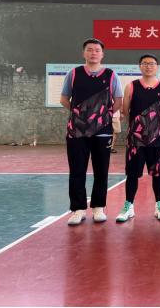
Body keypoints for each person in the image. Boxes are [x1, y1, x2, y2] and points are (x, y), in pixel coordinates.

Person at [60, 38, 123, 225]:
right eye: (90, 50)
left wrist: (103, 117)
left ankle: (98, 207)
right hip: (77, 132)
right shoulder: (74, 74)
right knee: (77, 170)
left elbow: (118, 101)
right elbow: (64, 99)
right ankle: (78, 209)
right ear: (83, 53)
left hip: (102, 131)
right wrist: (81, 116)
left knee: (101, 171)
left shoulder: (111, 75)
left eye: (97, 50)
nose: (93, 53)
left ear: (102, 54)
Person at [116, 54, 160, 222]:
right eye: (145, 63)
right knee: (132, 174)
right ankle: (128, 206)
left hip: (156, 139)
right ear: (140, 66)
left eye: (152, 64)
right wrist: (137, 125)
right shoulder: (131, 86)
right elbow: (126, 110)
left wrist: (158, 125)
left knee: (158, 174)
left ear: (157, 67)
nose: (149, 66)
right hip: (136, 139)